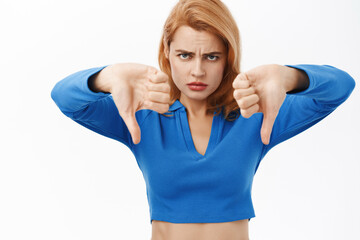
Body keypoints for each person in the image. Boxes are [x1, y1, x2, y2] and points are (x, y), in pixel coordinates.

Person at [50, 0, 356, 239]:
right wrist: (106, 77)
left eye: (212, 56)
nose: (197, 71)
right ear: (167, 52)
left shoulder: (256, 113)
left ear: (228, 58)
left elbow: (341, 87)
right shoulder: (142, 114)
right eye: (185, 55)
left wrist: (289, 75)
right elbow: (64, 98)